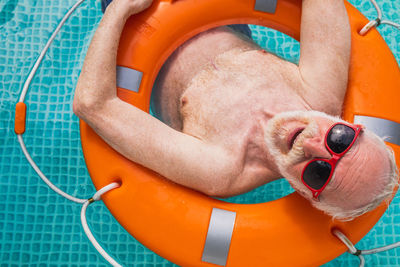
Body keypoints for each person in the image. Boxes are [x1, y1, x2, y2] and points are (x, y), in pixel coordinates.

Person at [73, 0, 398, 221]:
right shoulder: (320, 90)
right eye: (339, 139)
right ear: (350, 124)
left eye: (319, 173)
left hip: (136, 29)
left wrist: (120, 9)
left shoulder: (222, 168)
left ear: (306, 195)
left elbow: (93, 104)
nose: (312, 145)